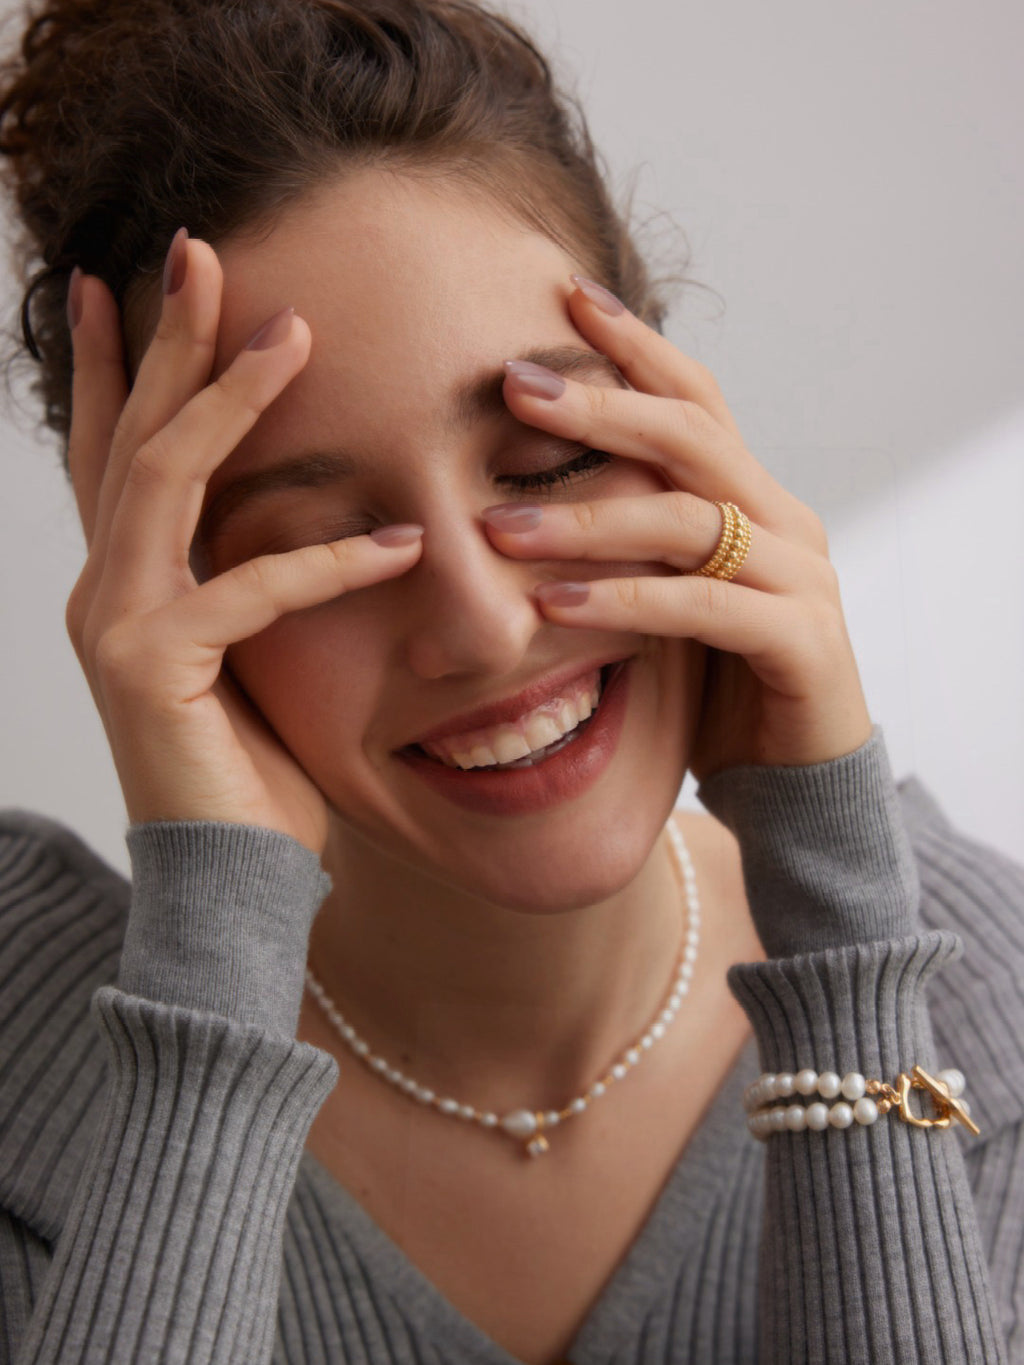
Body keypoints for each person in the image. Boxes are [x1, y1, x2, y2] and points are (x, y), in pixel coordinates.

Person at [0, 0, 1021, 1361]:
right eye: (326, 544)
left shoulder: (967, 1013)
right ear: (156, 585)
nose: (479, 626)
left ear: (682, 428)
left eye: (547, 468)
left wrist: (845, 948)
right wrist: (212, 975)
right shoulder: (25, 1068)